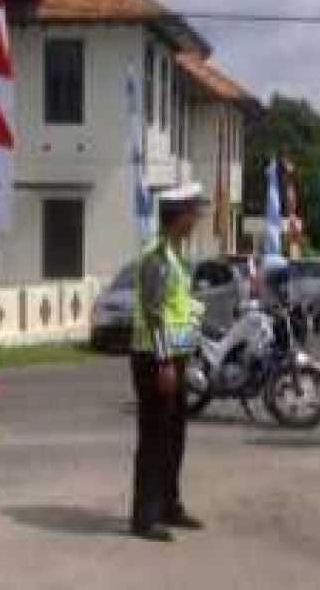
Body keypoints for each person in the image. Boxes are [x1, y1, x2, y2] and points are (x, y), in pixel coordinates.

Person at [129, 181, 208, 542]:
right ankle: (144, 517)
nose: (196, 220)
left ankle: (169, 505)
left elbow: (178, 311)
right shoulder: (156, 257)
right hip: (154, 359)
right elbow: (154, 312)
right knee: (154, 439)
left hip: (174, 358)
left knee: (175, 436)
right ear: (178, 217)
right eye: (193, 213)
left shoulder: (176, 256)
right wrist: (163, 362)